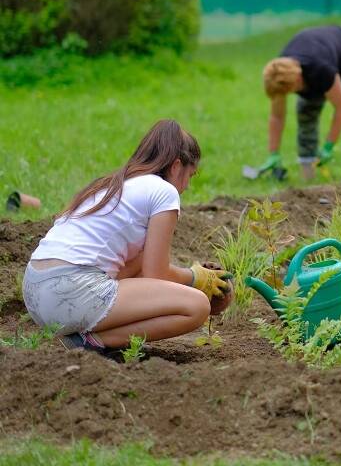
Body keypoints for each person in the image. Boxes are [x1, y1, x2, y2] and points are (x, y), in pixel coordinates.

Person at [22, 120, 231, 353]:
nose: (187, 186)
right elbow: (157, 274)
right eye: (190, 175)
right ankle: (91, 342)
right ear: (176, 166)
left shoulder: (115, 185)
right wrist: (196, 278)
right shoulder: (165, 192)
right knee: (196, 306)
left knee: (141, 259)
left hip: (37, 294)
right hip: (73, 290)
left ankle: (82, 333)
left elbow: (143, 267)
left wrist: (188, 279)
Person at [259, 25, 341, 179]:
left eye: (292, 90)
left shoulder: (320, 69)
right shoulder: (279, 75)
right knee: (306, 113)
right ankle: (307, 177)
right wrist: (273, 153)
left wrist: (329, 145)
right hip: (323, 54)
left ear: (298, 80)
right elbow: (277, 117)